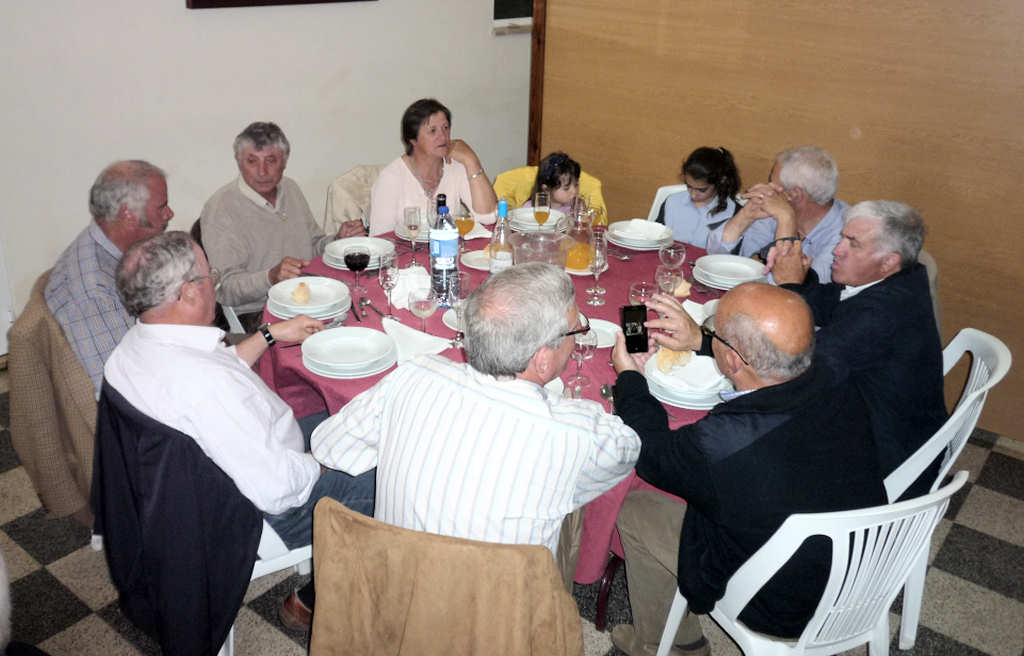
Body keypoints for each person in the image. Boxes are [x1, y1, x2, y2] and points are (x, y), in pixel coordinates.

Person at [105, 231, 376, 632]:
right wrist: (330, 456)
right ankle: (315, 598)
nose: (214, 282)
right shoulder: (204, 387)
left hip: (204, 490)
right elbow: (279, 489)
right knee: (395, 468)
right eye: (209, 275)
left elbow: (219, 368)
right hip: (256, 515)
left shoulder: (135, 346)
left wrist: (270, 335)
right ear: (188, 292)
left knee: (346, 416)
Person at [311, 263, 639, 584]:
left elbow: (330, 447)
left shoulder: (411, 375)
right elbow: (629, 447)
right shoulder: (574, 434)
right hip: (498, 614)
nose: (578, 338)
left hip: (391, 591)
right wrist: (632, 377)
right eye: (576, 331)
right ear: (542, 359)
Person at [608, 282, 886, 656]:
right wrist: (701, 341)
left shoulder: (723, 442)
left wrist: (629, 378)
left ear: (733, 360)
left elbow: (652, 454)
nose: (710, 335)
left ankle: (671, 645)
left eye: (715, 333)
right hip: (867, 570)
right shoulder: (836, 370)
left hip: (782, 604)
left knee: (637, 507)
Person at [770, 200, 947, 497]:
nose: (837, 250)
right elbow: (829, 303)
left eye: (853, 244)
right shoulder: (900, 277)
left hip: (883, 460)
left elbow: (797, 369)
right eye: (842, 237)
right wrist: (797, 279)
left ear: (888, 262)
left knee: (746, 450)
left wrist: (709, 344)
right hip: (891, 421)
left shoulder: (880, 314)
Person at [200, 121, 358, 332]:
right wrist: (270, 277)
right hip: (258, 311)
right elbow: (225, 289)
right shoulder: (221, 208)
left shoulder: (290, 189)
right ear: (239, 161)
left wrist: (337, 241)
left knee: (363, 309)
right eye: (252, 161)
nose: (262, 171)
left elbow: (313, 245)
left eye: (271, 160)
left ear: (284, 161)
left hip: (306, 297)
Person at [45, 160, 174, 395]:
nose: (170, 213)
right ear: (128, 214)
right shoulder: (95, 296)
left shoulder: (120, 250)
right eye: (161, 207)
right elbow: (122, 390)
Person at [706, 145, 846, 282]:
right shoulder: (773, 209)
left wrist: (786, 219)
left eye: (772, 183)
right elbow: (715, 256)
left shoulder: (846, 233)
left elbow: (789, 285)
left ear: (795, 194)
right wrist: (746, 215)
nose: (768, 188)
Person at [368, 98, 497, 236]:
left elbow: (489, 217)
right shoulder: (391, 178)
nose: (443, 137)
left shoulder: (455, 167)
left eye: (445, 128)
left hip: (447, 247)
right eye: (432, 131)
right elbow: (380, 238)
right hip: (407, 249)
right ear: (413, 139)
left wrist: (471, 160)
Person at [656, 146, 741, 247]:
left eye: (702, 190)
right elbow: (654, 238)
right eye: (689, 186)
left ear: (721, 181)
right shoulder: (672, 202)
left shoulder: (735, 214)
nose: (693, 195)